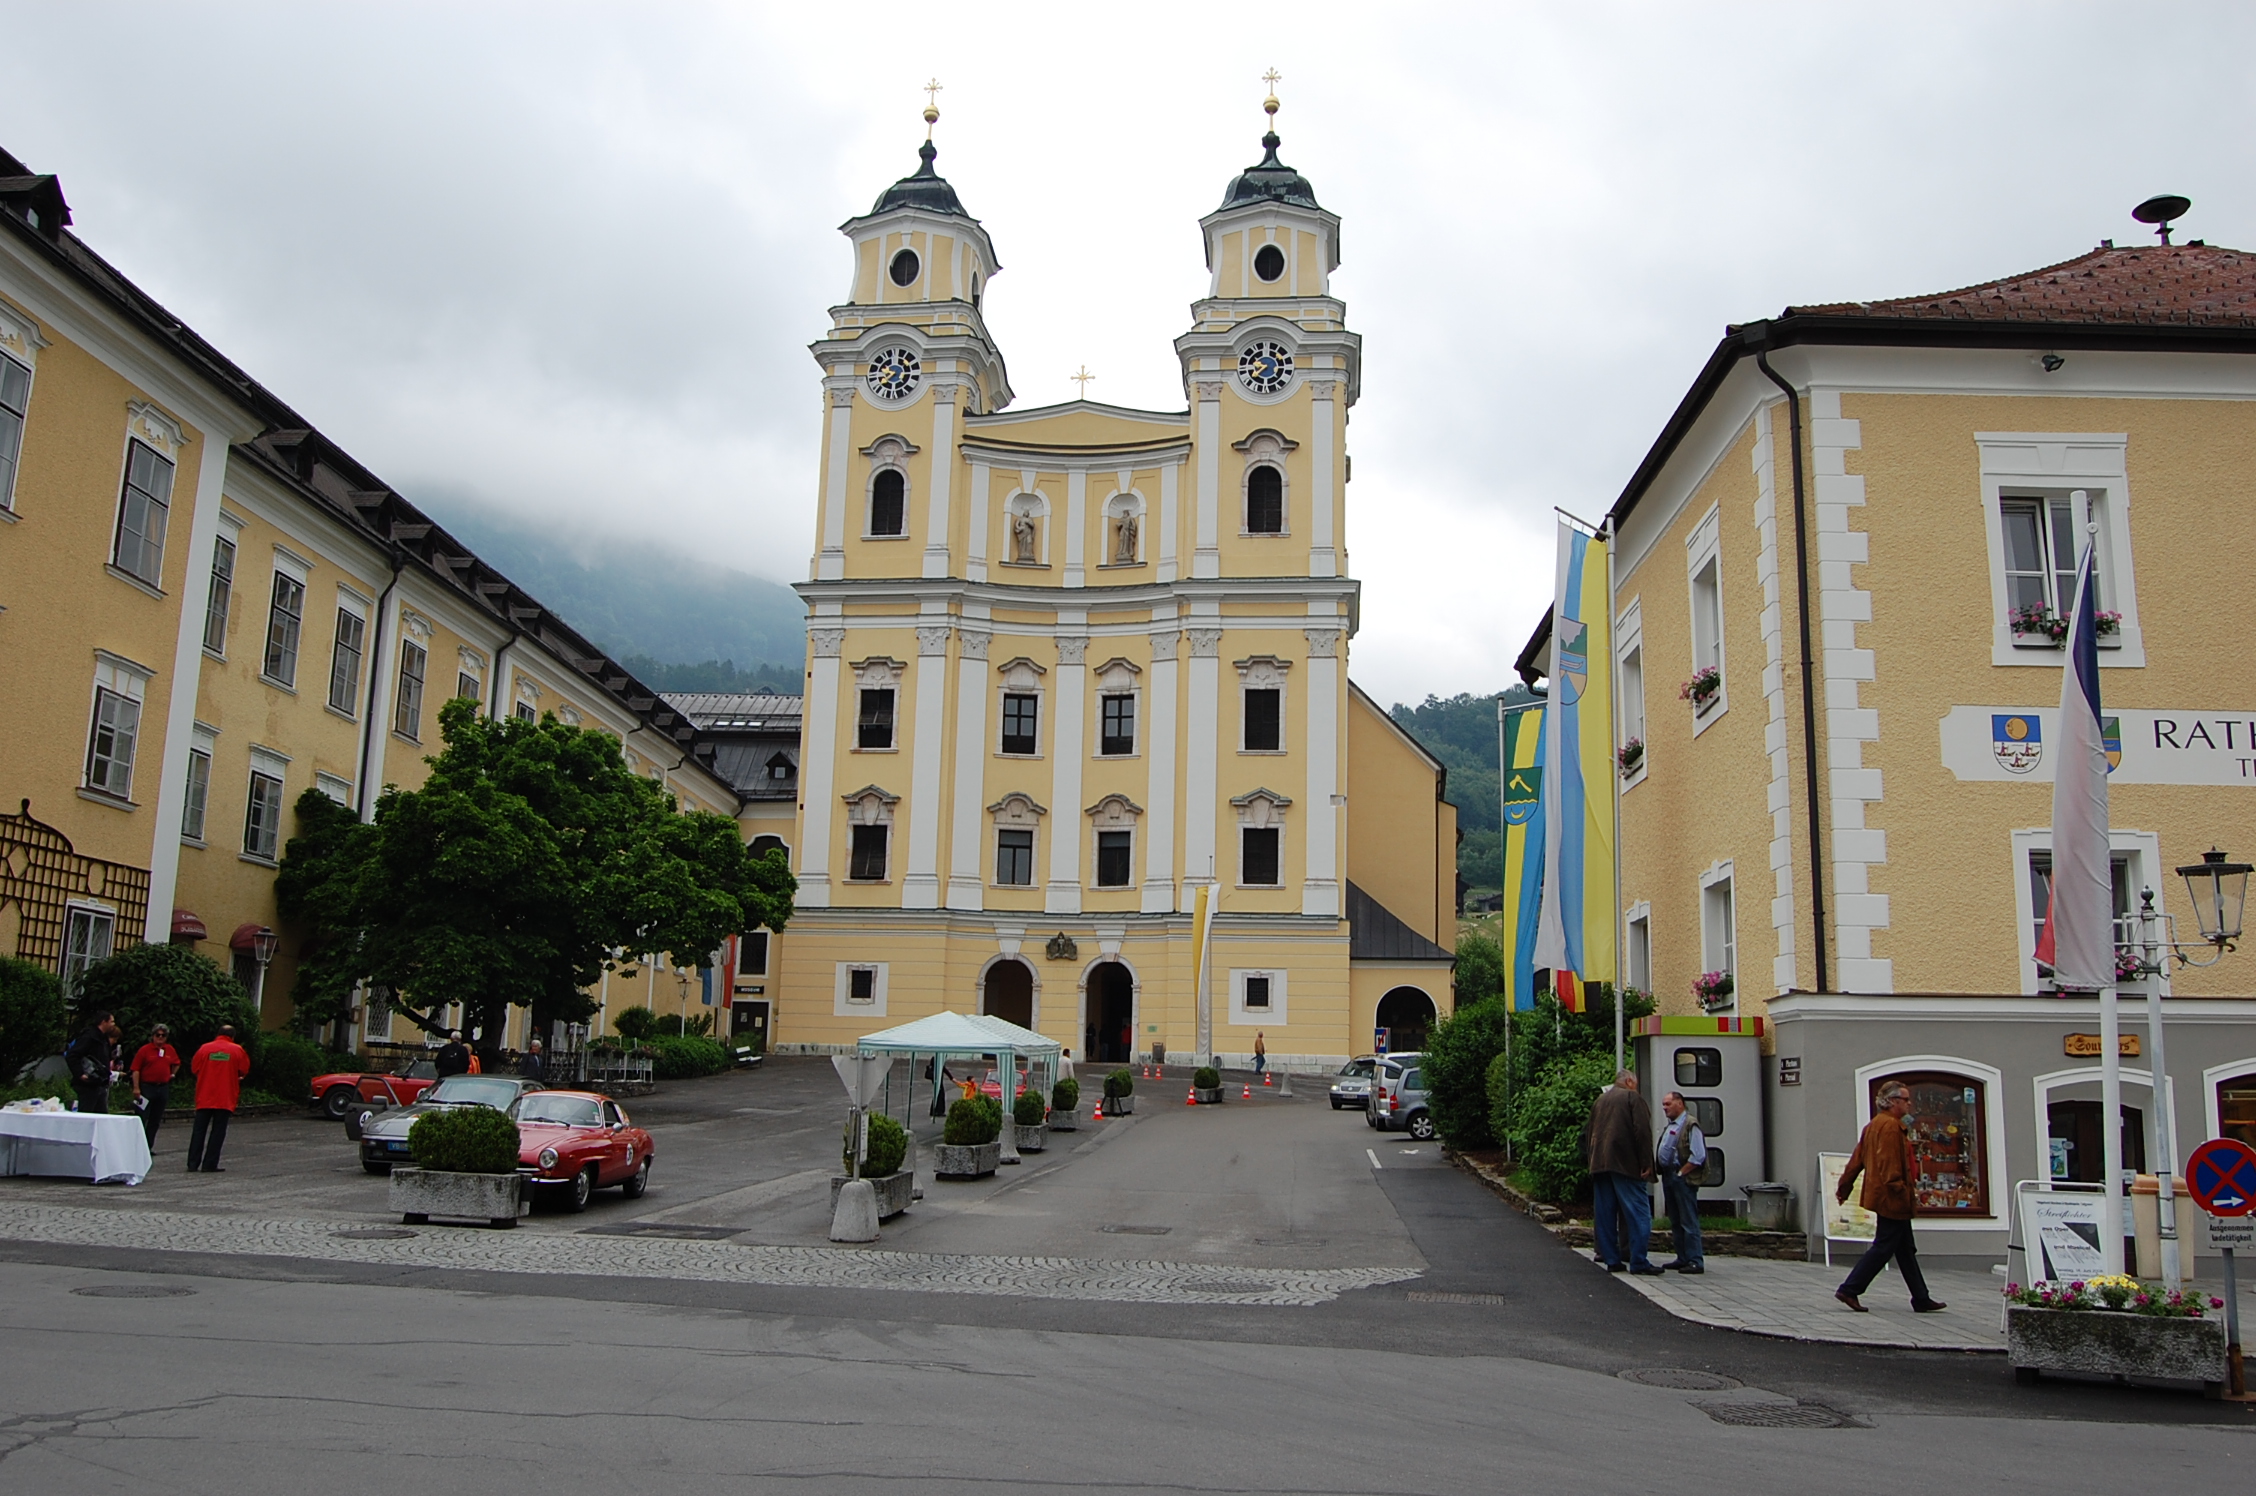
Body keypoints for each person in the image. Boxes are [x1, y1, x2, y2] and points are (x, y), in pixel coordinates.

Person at [1834, 1080, 1947, 1314]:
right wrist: (1899, 1188)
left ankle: (1921, 1297)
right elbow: (1889, 1163)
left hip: (1887, 1194)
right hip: (1892, 1197)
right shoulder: (1890, 1127)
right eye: (1905, 1099)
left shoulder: (1874, 1125)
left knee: (1905, 1249)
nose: (1909, 1104)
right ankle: (1850, 1289)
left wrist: (1844, 1186)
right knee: (1884, 1246)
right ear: (1893, 1101)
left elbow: (1856, 1160)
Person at [1583, 1068, 1660, 1274]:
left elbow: (1589, 1132)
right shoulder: (1632, 1099)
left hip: (1600, 1164)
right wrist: (1646, 1162)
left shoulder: (1600, 1101)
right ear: (1629, 1082)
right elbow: (1642, 1131)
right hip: (1625, 1163)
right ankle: (1639, 1261)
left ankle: (1612, 1259)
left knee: (1605, 1215)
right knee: (1638, 1213)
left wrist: (1592, 1161)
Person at [185, 1023, 250, 1173]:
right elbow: (243, 1070)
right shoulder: (237, 1050)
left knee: (199, 1130)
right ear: (232, 1036)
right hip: (225, 1097)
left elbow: (195, 1068)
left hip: (204, 1095)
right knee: (218, 1131)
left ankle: (192, 1163)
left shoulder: (205, 1048)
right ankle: (210, 1164)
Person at [1656, 1090, 1708, 1274]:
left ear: (1680, 1103)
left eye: (1668, 1104)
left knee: (1688, 1220)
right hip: (1668, 1176)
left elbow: (1698, 1155)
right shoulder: (1672, 1125)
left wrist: (1681, 1173)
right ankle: (1682, 1257)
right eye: (1663, 1104)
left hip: (1682, 1179)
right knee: (1676, 1220)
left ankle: (1695, 1260)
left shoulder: (1690, 1125)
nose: (1665, 1108)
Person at [127, 1023, 182, 1147]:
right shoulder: (145, 1050)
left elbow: (177, 1063)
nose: (160, 1037)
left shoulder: (169, 1049)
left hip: (162, 1087)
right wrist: (136, 1088)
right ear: (153, 1036)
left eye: (163, 1035)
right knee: (141, 1117)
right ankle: (136, 1145)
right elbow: (136, 1069)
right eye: (158, 1035)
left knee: (155, 1119)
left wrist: (172, 1074)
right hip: (147, 1087)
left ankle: (148, 1146)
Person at [65, 1011, 121, 1116]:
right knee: (86, 1114)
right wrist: (80, 1074)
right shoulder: (89, 1036)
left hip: (100, 1083)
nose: (113, 1024)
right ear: (104, 1022)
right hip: (88, 1084)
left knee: (101, 1115)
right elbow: (72, 1055)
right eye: (112, 1021)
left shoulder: (103, 1038)